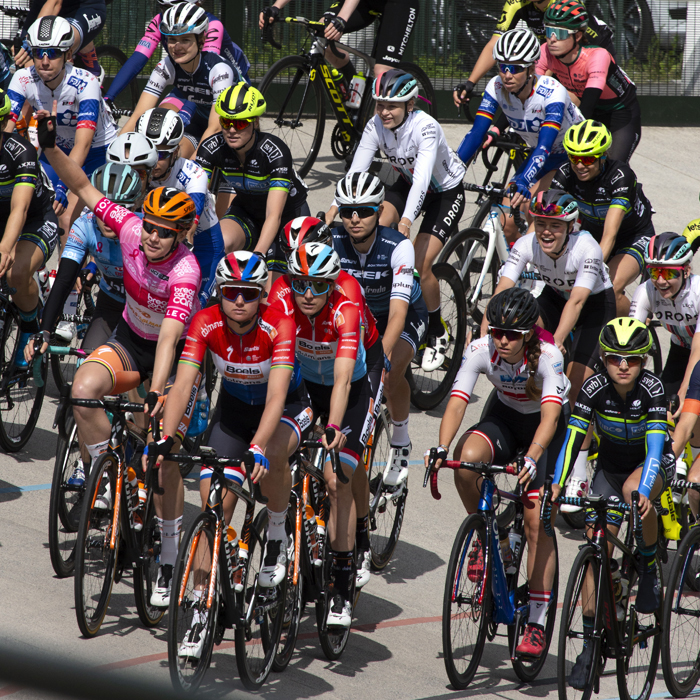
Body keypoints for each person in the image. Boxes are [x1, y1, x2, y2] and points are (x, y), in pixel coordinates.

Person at [37, 106, 202, 607]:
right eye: (149, 226)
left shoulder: (186, 270)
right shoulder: (129, 230)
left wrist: (156, 392)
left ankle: (170, 556)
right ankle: (106, 471)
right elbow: (84, 187)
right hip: (131, 338)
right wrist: (48, 145)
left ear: (180, 236)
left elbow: (172, 339)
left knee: (162, 457)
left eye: (162, 231)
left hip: (170, 356)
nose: (151, 236)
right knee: (83, 390)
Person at [148, 250, 313, 657]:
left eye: (248, 293)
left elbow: (276, 396)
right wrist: (167, 439)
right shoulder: (205, 322)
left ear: (261, 295)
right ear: (219, 292)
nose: (239, 300)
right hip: (234, 415)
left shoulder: (280, 324)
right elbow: (183, 384)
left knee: (272, 452)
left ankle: (276, 532)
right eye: (231, 292)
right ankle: (202, 608)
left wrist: (257, 447)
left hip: (287, 410)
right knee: (211, 511)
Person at [426, 287, 569, 658]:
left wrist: (534, 457)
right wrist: (442, 447)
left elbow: (551, 417)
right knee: (467, 460)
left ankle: (536, 620)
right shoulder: (480, 349)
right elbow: (458, 400)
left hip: (545, 430)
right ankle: (492, 537)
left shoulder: (548, 356)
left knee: (537, 518)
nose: (501, 341)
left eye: (511, 335)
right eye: (496, 332)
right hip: (505, 417)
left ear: (528, 335)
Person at [551, 317, 672, 686]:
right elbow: (572, 439)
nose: (623, 366)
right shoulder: (592, 387)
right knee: (595, 544)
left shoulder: (652, 391)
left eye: (632, 359)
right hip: (609, 468)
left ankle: (649, 566)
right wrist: (557, 486)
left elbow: (654, 452)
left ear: (643, 361)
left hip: (646, 466)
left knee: (635, 495)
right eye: (615, 358)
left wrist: (643, 492)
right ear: (604, 359)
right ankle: (590, 643)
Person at [269, 215, 382, 589]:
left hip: (353, 378)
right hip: (306, 382)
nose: (307, 293)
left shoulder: (347, 298)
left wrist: (333, 426)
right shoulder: (281, 296)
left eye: (318, 285)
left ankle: (358, 538)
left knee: (342, 474)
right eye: (299, 283)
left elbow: (345, 378)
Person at [485, 189, 615, 509]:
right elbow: (504, 287)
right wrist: (487, 329)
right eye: (540, 221)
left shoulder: (587, 247)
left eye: (555, 225)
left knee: (576, 384)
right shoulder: (527, 243)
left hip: (592, 307)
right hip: (555, 298)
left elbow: (578, 301)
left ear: (570, 226)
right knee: (525, 343)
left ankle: (578, 468)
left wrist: (554, 343)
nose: (545, 230)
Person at [326, 71, 464, 371]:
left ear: (410, 104)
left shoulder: (426, 127)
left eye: (393, 106)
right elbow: (358, 170)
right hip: (405, 182)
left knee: (419, 262)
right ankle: (386, 302)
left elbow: (424, 179)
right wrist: (334, 207)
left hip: (443, 193)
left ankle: (436, 327)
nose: (384, 112)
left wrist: (406, 221)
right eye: (380, 105)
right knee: (375, 230)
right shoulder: (376, 124)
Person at [330, 172, 427, 487]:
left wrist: (379, 360)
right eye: (347, 211)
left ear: (379, 210)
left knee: (390, 372)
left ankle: (400, 441)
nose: (355, 219)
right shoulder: (332, 241)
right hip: (360, 316)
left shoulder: (396, 246)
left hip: (403, 314)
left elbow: (399, 314)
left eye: (365, 211)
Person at [456, 28, 583, 241]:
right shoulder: (496, 86)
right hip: (542, 155)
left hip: (570, 157)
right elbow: (477, 133)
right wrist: (454, 170)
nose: (506, 74)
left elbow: (544, 146)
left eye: (514, 68)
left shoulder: (552, 92)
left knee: (536, 211)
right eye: (502, 67)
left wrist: (524, 180)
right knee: (505, 220)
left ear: (531, 68)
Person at [6, 16, 116, 232]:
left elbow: (83, 145)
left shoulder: (86, 83)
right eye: (39, 53)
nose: (45, 61)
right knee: (25, 205)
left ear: (68, 54)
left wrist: (62, 186)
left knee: (69, 219)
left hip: (97, 151)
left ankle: (86, 265)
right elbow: (6, 130)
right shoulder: (22, 78)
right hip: (55, 149)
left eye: (54, 53)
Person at [195, 83, 309, 267]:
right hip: (246, 211)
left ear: (255, 122)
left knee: (268, 292)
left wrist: (258, 256)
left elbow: (274, 214)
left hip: (286, 215)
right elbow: (195, 195)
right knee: (217, 244)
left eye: (240, 123)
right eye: (226, 122)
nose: (232, 130)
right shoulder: (211, 147)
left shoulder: (275, 151)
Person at [553, 119, 655, 315]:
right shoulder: (565, 173)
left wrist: (590, 270)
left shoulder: (620, 176)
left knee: (610, 288)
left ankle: (635, 326)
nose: (580, 165)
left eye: (589, 159)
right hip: (592, 234)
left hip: (632, 237)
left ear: (602, 156)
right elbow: (547, 216)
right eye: (574, 157)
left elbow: (610, 235)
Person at [119, 4, 239, 159]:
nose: (177, 46)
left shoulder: (219, 70)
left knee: (197, 170)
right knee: (170, 156)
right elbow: (138, 115)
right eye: (172, 39)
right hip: (200, 122)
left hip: (233, 128)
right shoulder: (167, 66)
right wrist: (117, 152)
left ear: (201, 40)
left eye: (185, 39)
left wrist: (192, 170)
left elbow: (215, 128)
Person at [453, 0, 614, 109]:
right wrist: (470, 83)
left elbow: (583, 47)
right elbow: (494, 44)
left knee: (574, 104)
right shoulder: (516, 4)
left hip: (590, 49)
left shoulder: (566, 3)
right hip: (552, 55)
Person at [136, 107, 224, 305]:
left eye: (161, 154)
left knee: (192, 310)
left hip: (201, 244)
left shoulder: (194, 174)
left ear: (176, 151)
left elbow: (189, 229)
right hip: (157, 240)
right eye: (148, 151)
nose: (153, 160)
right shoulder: (135, 168)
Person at [536, 0, 641, 163]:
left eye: (561, 33)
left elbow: (588, 105)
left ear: (577, 36)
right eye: (549, 31)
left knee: (612, 168)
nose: (552, 39)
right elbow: (528, 90)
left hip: (619, 113)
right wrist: (497, 129)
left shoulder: (597, 56)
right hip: (586, 104)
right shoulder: (545, 52)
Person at [0, 88, 58, 366]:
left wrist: (4, 248)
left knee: (15, 272)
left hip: (35, 219)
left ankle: (29, 326)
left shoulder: (21, 152)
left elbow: (20, 209)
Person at [104, 0, 250, 110]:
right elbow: (138, 59)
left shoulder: (212, 25)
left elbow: (204, 74)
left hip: (227, 80)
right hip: (190, 81)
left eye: (176, 9)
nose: (171, 17)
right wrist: (108, 99)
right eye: (164, 8)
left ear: (197, 5)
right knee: (161, 120)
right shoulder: (160, 21)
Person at [259, 0, 419, 95]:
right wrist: (276, 7)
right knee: (322, 31)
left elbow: (341, 19)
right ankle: (350, 89)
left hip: (399, 3)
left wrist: (342, 18)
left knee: (382, 73)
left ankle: (386, 133)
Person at [631, 233, 700, 405]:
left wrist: (685, 390)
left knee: (691, 404)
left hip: (697, 349)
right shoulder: (646, 290)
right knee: (663, 406)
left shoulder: (697, 292)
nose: (660, 281)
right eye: (654, 271)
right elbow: (631, 337)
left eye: (669, 273)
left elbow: (698, 348)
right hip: (681, 347)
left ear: (686, 271)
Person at [15, 0, 107, 79]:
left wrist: (34, 38)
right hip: (43, 4)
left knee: (55, 47)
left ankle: (93, 70)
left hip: (85, 7)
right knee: (25, 64)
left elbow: (55, 3)